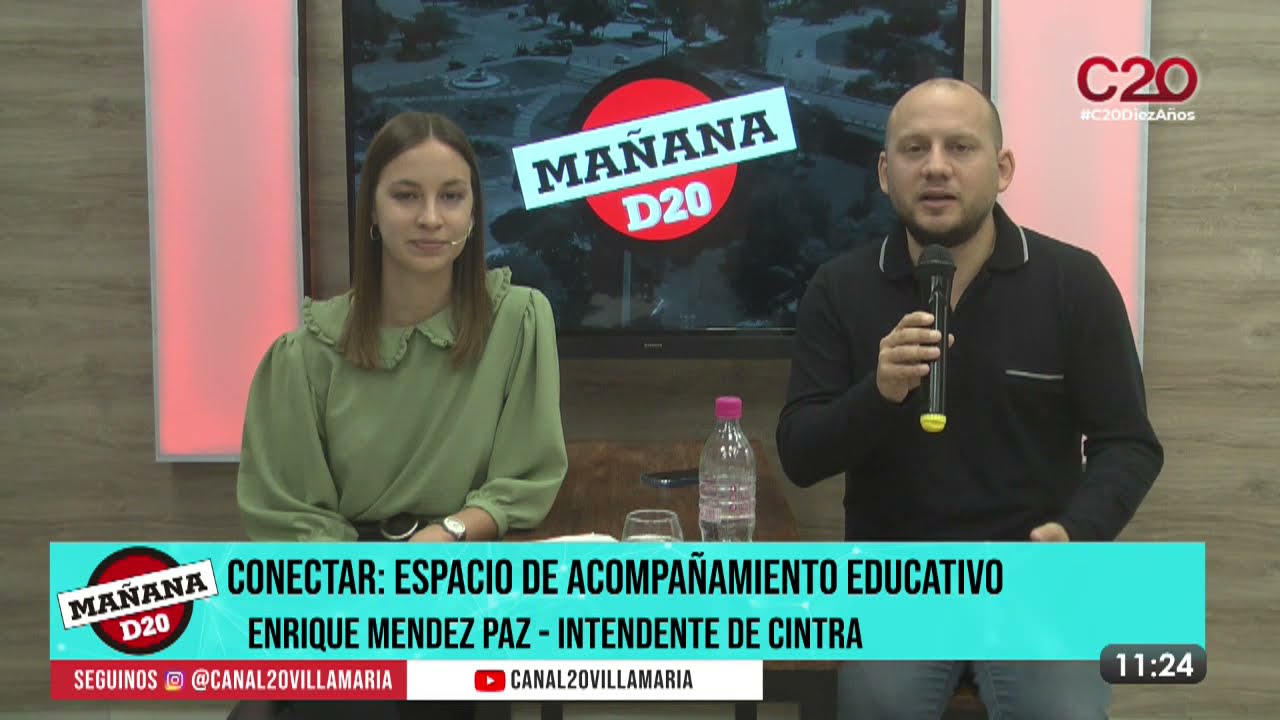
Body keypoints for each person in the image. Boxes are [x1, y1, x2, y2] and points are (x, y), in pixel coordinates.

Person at [775, 78, 1163, 719]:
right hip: (897, 580)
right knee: (876, 704)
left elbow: (1129, 444)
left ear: (1002, 169)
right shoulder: (839, 287)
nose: (936, 167)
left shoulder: (1075, 282)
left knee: (1064, 710)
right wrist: (879, 393)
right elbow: (800, 454)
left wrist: (1077, 532)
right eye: (914, 149)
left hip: (1034, 576)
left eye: (960, 147)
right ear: (884, 173)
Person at [229, 111, 568, 720]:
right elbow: (291, 515)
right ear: (373, 213)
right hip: (342, 590)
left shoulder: (519, 320)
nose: (431, 218)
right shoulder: (304, 355)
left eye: (451, 196)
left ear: (473, 213)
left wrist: (448, 537)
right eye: (407, 196)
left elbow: (524, 481)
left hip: (459, 581)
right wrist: (371, 592)